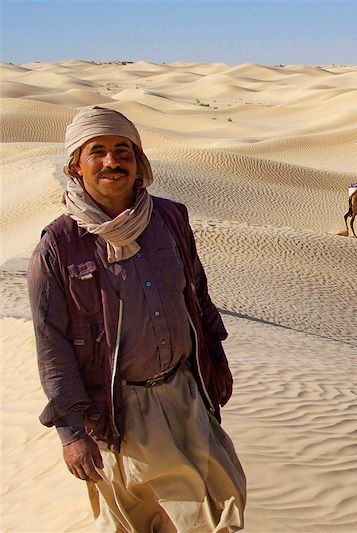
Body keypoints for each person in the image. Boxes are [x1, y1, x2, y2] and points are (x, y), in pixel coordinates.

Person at [27, 107, 246, 532]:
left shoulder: (170, 218)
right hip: (118, 410)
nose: (113, 162)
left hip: (185, 391)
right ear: (77, 165)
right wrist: (71, 434)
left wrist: (215, 359)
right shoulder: (58, 246)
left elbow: (197, 295)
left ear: (138, 160)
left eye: (123, 150)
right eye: (99, 152)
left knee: (225, 503)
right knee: (138, 521)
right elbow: (51, 346)